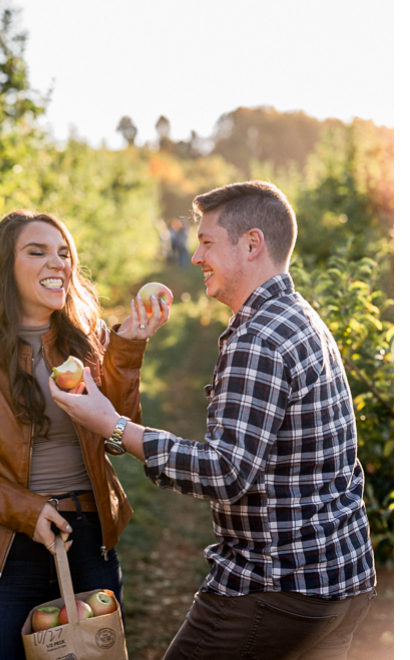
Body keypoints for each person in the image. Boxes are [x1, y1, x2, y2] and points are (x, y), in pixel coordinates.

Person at [50, 181, 377, 660]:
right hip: (340, 575)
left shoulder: (259, 337)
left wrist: (114, 426)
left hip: (275, 584)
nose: (197, 256)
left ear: (251, 244)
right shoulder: (299, 316)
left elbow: (226, 472)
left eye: (207, 243)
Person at [0, 209, 168, 659]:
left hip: (88, 540)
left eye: (64, 253)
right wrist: (26, 510)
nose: (58, 263)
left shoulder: (91, 342)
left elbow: (116, 434)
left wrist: (127, 350)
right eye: (37, 252)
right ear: (3, 267)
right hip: (1, 549)